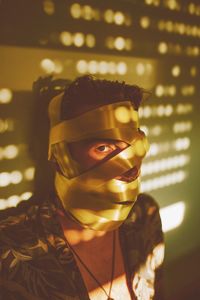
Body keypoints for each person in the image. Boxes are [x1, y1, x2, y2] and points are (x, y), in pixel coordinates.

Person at [0, 75, 164, 300]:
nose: (127, 166)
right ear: (61, 155)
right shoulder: (12, 248)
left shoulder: (145, 216)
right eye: (104, 147)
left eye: (131, 146)